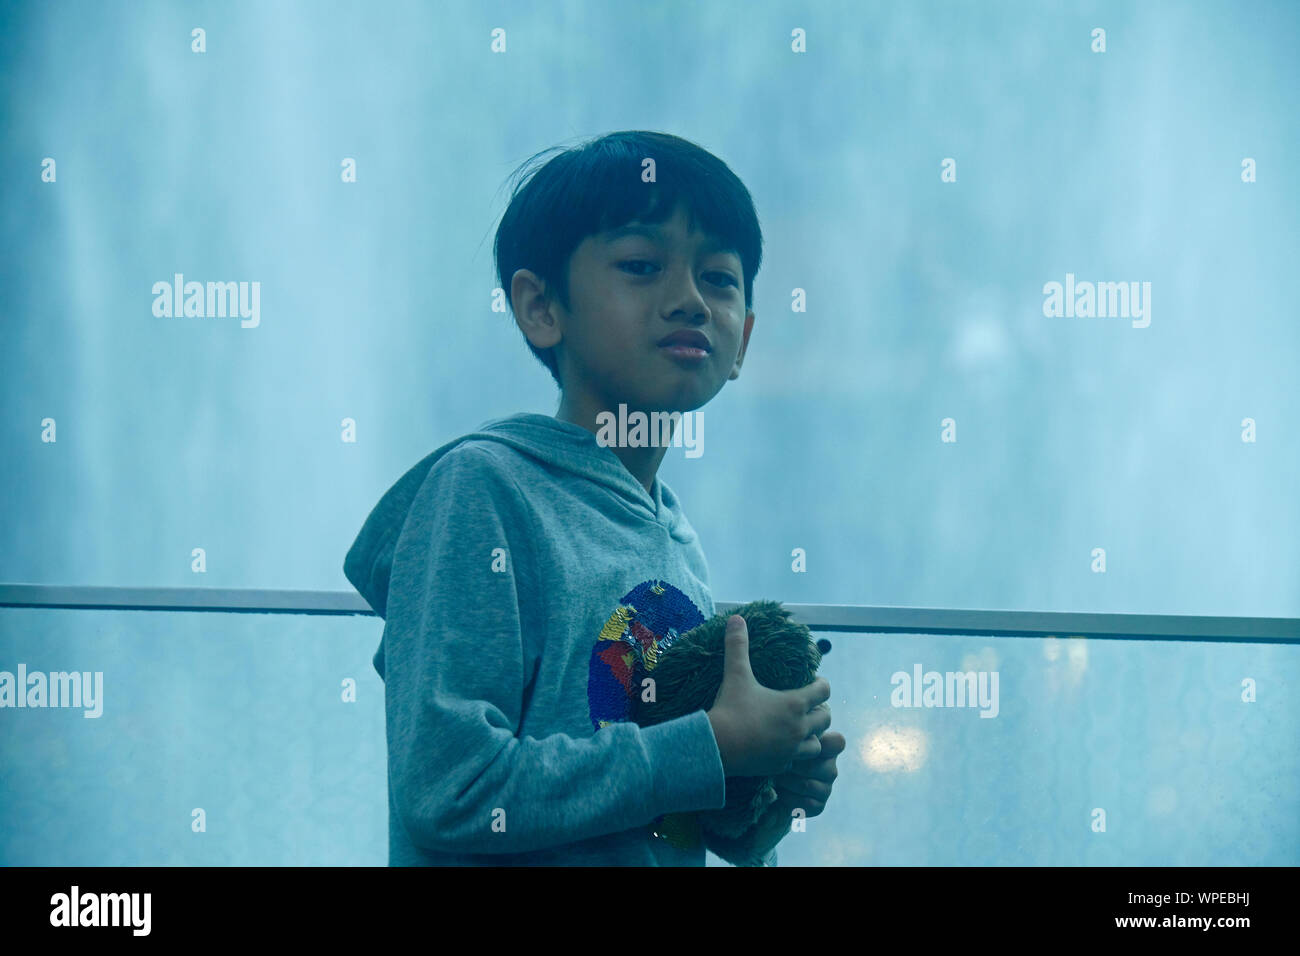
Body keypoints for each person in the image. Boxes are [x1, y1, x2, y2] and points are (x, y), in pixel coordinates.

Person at [344, 130, 844, 865]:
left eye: (719, 279)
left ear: (744, 344)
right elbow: (449, 790)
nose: (690, 301)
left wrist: (761, 794)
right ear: (541, 306)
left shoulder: (677, 542)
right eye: (643, 267)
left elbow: (660, 818)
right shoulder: (483, 492)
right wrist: (711, 745)